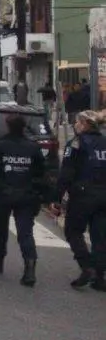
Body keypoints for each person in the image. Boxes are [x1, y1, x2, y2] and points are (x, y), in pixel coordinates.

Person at [0, 114, 46, 287]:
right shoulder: (32, 148)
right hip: (26, 195)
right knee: (25, 232)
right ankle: (29, 268)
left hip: (3, 195)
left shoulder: (0, 146)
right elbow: (40, 173)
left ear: (8, 126)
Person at [54, 110, 106, 290]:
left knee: (73, 231)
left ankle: (87, 266)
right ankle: (100, 278)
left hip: (83, 195)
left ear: (84, 124)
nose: (75, 125)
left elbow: (66, 174)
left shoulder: (77, 143)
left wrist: (56, 198)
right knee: (100, 236)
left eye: (77, 122)